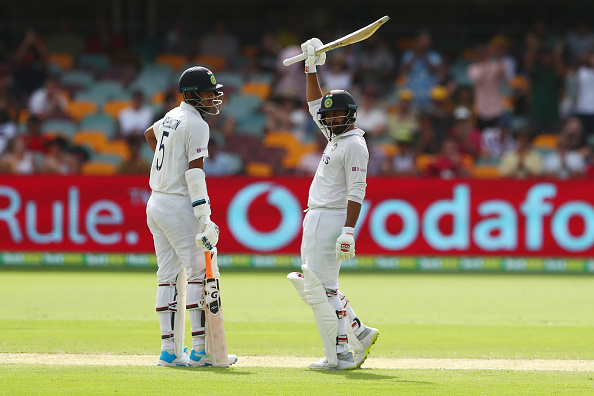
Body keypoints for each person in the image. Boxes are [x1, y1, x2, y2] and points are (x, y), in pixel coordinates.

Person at [286, 38, 379, 371]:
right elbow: (315, 104)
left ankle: (337, 356)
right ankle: (359, 333)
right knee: (327, 287)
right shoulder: (336, 135)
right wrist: (311, 66)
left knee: (317, 288)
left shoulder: (354, 144)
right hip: (319, 216)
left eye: (335, 114)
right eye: (329, 116)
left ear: (350, 114)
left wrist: (349, 230)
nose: (328, 119)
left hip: (330, 218)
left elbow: (358, 190)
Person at [144, 66, 237, 367]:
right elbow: (195, 174)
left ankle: (169, 352)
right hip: (177, 204)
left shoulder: (173, 115)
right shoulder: (197, 124)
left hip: (156, 202)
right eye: (208, 93)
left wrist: (169, 165)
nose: (213, 98)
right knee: (198, 273)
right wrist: (205, 217)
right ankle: (199, 350)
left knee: (167, 276)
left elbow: (149, 135)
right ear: (191, 94)